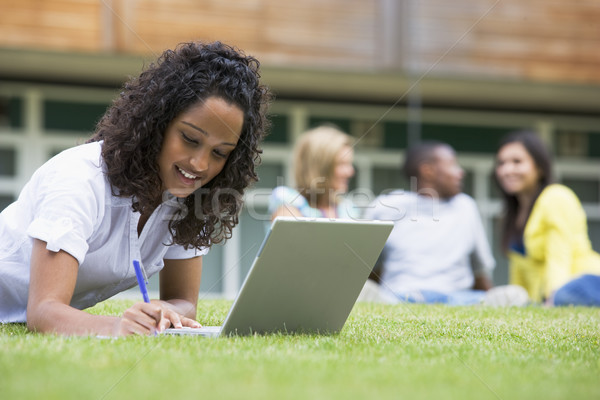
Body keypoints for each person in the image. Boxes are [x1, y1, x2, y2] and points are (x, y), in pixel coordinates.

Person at [0, 41, 272, 335]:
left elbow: (183, 302)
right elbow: (44, 312)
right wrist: (118, 326)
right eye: (190, 139)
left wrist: (166, 311)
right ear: (157, 123)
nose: (200, 164)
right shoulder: (80, 179)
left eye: (219, 153)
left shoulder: (187, 197)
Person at [364, 141, 522, 305]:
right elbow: (367, 268)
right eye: (453, 165)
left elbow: (479, 272)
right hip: (400, 296)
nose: (461, 173)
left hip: (458, 299)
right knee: (365, 290)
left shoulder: (465, 206)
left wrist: (496, 301)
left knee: (515, 294)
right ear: (428, 171)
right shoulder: (386, 206)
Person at [494, 131, 600, 306]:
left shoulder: (556, 196)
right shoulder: (512, 212)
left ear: (540, 168)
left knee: (564, 296)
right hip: (546, 295)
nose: (507, 170)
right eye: (501, 163)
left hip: (583, 283)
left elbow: (560, 251)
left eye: (517, 162)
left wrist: (554, 295)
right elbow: (519, 271)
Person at [268, 125, 358, 220]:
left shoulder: (347, 209)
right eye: (341, 164)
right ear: (320, 167)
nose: (350, 172)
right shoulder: (286, 200)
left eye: (349, 164)